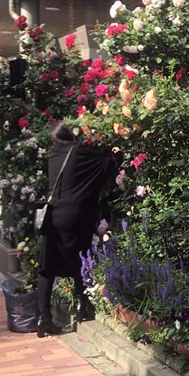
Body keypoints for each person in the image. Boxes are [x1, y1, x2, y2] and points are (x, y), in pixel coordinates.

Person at [36, 121, 122, 337]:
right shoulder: (80, 154)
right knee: (81, 260)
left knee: (47, 268)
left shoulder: (53, 157)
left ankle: (43, 319)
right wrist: (117, 154)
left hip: (53, 217)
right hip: (76, 216)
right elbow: (107, 167)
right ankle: (82, 307)